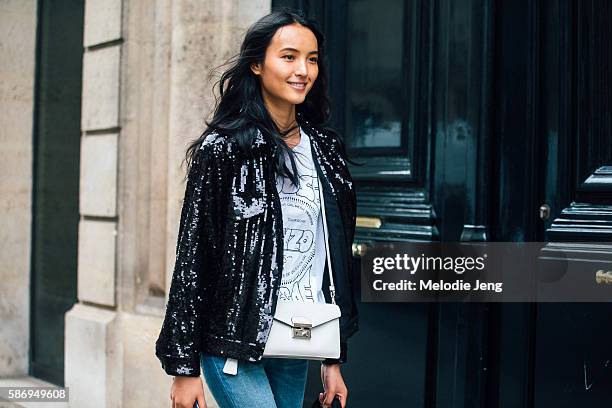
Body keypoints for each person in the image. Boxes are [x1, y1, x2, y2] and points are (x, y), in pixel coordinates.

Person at [155, 8, 359, 408]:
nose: (303, 70)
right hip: (233, 339)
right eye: (289, 56)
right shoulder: (224, 149)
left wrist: (333, 357)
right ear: (256, 64)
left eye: (312, 59)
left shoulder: (325, 152)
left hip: (297, 334)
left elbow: (332, 259)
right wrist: (184, 367)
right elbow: (194, 258)